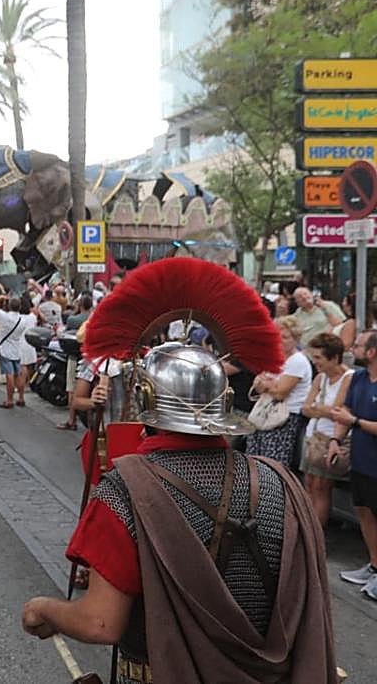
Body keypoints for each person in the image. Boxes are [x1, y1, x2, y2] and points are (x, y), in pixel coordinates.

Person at [21, 259, 336, 683]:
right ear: (223, 402)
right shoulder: (281, 482)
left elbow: (101, 622)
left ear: (147, 400)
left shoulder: (124, 490)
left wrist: (44, 609)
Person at [330, 330, 377, 599]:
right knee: (363, 510)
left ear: (371, 352)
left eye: (357, 345)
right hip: (361, 461)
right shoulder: (358, 378)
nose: (352, 349)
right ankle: (374, 566)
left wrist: (355, 422)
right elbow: (345, 411)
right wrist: (335, 440)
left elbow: (351, 418)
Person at [245, 315, 312, 469]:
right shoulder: (274, 357)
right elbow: (258, 385)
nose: (280, 340)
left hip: (284, 418)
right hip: (264, 412)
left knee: (272, 463)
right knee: (254, 460)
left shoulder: (298, 361)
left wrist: (267, 384)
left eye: (285, 337)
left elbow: (280, 393)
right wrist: (270, 385)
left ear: (296, 339)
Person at [299, 332, 352, 529]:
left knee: (321, 486)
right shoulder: (320, 377)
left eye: (319, 357)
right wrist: (322, 410)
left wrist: (317, 409)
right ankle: (308, 530)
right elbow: (305, 409)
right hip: (312, 437)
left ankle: (316, 533)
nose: (315, 362)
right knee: (309, 483)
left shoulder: (348, 377)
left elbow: (337, 411)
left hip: (330, 439)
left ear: (334, 357)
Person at [0, 295, 28, 409]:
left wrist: (1, 296)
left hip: (5, 349)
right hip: (17, 349)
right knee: (18, 374)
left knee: (9, 375)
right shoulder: (22, 320)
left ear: (9, 306)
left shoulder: (4, 316)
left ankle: (9, 400)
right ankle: (21, 398)